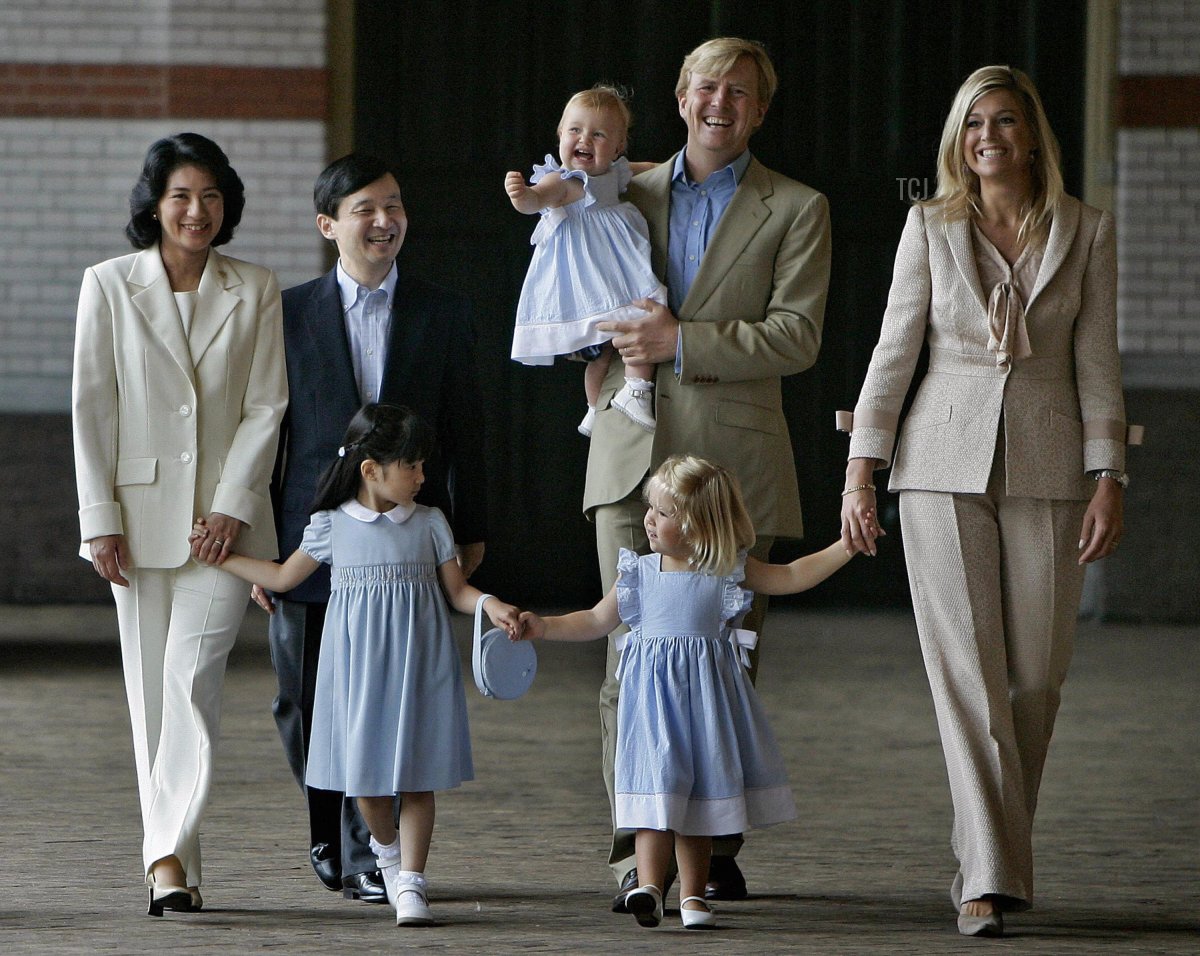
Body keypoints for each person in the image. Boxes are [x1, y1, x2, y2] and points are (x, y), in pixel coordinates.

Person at [838, 65, 1135, 938]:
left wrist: (1108, 476)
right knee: (968, 677)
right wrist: (863, 469)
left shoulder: (1087, 231)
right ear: (958, 141)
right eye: (973, 125)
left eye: (1004, 122)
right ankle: (989, 878)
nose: (988, 138)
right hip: (939, 460)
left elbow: (1098, 365)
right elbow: (894, 355)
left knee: (1036, 678)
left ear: (1034, 135)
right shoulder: (928, 225)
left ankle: (987, 850)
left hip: (1048, 462)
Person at [584, 37, 832, 908]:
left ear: (759, 111)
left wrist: (680, 341)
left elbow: (797, 335)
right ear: (680, 96)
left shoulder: (798, 208)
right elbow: (569, 284)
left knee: (724, 665)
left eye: (739, 93)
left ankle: (711, 844)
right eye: (705, 87)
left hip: (733, 469)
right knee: (628, 662)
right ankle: (635, 859)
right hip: (629, 454)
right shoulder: (621, 191)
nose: (719, 102)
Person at [193, 403, 519, 926]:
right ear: (372, 470)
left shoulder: (431, 523)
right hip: (357, 669)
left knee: (418, 776)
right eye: (411, 466)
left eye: (421, 465)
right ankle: (386, 855)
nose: (421, 476)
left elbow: (457, 591)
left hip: (419, 661)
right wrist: (219, 558)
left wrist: (490, 606)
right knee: (364, 781)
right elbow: (281, 579)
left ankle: (411, 882)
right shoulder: (330, 526)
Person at [262, 153, 488, 904]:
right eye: (365, 208)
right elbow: (268, 434)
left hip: (401, 547)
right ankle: (328, 827)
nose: (384, 220)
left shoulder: (443, 312)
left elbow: (467, 431)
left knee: (386, 699)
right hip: (312, 534)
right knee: (302, 698)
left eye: (394, 205)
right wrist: (267, 537)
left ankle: (372, 852)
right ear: (329, 225)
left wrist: (472, 526)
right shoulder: (287, 314)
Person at [71, 132, 288, 915]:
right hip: (136, 522)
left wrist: (233, 506)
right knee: (149, 701)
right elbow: (92, 409)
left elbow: (268, 408)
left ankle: (161, 854)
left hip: (227, 530)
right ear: (154, 206)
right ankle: (175, 867)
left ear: (226, 206)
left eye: (210, 197)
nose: (197, 212)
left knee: (190, 684)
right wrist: (99, 518)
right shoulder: (108, 285)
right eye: (180, 197)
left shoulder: (255, 286)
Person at [520, 455, 855, 929]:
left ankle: (694, 897)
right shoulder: (639, 571)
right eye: (649, 509)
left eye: (662, 512)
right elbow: (595, 620)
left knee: (696, 804)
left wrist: (846, 546)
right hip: (650, 713)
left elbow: (792, 576)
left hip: (705, 711)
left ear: (698, 523)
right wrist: (543, 627)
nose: (649, 520)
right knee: (653, 800)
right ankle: (651, 888)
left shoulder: (727, 570)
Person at [505, 84, 664, 436]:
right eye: (575, 130)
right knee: (617, 337)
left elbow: (652, 170)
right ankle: (616, 398)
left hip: (617, 267)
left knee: (622, 337)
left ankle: (610, 401)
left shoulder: (615, 173)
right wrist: (523, 196)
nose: (585, 140)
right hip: (591, 274)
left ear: (619, 147)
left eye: (599, 134)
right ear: (561, 134)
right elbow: (537, 199)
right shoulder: (562, 181)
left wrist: (678, 166)